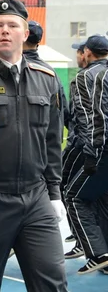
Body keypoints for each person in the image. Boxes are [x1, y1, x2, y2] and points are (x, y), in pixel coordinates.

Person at [0, 0, 67, 291]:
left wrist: (54, 192)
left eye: (12, 25)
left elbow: (52, 140)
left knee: (53, 281)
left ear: (25, 33)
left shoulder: (46, 79)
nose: (5, 30)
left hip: (37, 199)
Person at [65, 34, 108, 274]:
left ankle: (95, 251)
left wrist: (90, 152)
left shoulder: (89, 77)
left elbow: (90, 116)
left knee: (72, 195)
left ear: (88, 52)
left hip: (94, 147)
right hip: (98, 145)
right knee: (102, 199)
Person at [61, 41, 88, 258]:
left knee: (70, 192)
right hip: (90, 145)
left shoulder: (83, 78)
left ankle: (86, 243)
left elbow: (77, 116)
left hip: (83, 145)